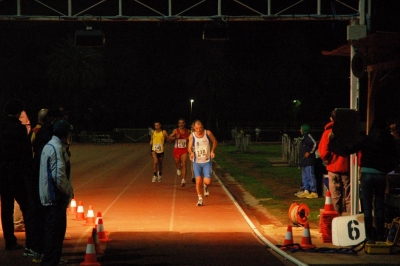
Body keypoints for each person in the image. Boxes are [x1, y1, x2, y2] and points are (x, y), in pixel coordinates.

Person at [344, 119, 398, 243]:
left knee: (367, 204)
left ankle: (368, 234)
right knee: (379, 203)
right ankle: (380, 234)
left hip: (367, 173)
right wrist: (386, 169)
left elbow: (350, 150)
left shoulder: (366, 139)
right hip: (380, 175)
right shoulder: (388, 140)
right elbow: (395, 158)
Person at [0, 99, 33, 251]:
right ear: (18, 112)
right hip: (17, 173)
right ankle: (31, 239)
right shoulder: (19, 129)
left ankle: (9, 241)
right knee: (26, 205)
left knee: (6, 209)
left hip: (3, 173)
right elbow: (26, 153)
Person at [39, 119, 74, 265]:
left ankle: (49, 260)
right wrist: (69, 192)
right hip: (55, 199)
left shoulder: (49, 146)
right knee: (55, 234)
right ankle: (50, 261)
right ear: (65, 134)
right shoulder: (56, 148)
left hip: (49, 197)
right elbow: (59, 176)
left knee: (51, 233)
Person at [318, 109, 350, 214]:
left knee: (335, 197)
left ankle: (336, 223)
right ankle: (350, 220)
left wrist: (328, 159)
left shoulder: (328, 133)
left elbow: (323, 153)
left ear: (331, 119)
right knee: (349, 197)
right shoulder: (348, 132)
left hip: (333, 168)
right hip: (347, 169)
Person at [188, 120, 217, 206]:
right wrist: (191, 153)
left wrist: (212, 151)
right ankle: (200, 198)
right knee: (198, 181)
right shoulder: (192, 136)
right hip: (197, 162)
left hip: (207, 161)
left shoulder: (207, 133)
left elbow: (214, 141)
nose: (199, 130)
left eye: (200, 128)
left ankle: (205, 186)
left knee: (207, 181)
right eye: (197, 128)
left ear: (202, 127)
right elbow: (189, 147)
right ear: (194, 128)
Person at [295, 124, 318, 199]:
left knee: (310, 176)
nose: (300, 130)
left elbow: (315, 144)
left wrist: (309, 152)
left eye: (301, 129)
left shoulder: (309, 137)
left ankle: (314, 191)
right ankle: (306, 190)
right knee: (304, 176)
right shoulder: (304, 138)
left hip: (309, 161)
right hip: (304, 161)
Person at [168, 119, 190, 187]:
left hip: (184, 149)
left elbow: (190, 139)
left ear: (184, 124)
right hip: (177, 149)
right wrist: (175, 137)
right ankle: (178, 168)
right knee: (177, 163)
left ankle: (183, 180)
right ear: (178, 124)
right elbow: (169, 138)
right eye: (180, 123)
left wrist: (189, 142)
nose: (181, 124)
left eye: (182, 123)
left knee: (184, 164)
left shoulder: (188, 131)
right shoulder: (176, 131)